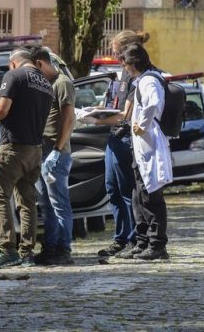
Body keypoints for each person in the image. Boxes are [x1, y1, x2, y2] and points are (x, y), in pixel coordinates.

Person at [0, 46, 53, 269]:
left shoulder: (14, 75)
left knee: (0, 196)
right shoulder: (45, 83)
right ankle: (27, 252)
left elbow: (2, 110)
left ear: (13, 62)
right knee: (27, 201)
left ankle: (7, 249)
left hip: (13, 147)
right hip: (34, 149)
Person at [88, 30, 148, 258]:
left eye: (115, 50)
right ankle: (121, 238)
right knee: (112, 189)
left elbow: (127, 115)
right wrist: (98, 110)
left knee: (126, 191)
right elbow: (114, 103)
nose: (113, 54)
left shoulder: (136, 76)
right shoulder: (122, 74)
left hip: (125, 138)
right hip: (113, 137)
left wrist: (95, 118)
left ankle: (136, 239)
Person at [116, 43, 173, 260]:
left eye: (126, 63)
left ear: (134, 63)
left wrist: (143, 124)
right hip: (142, 147)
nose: (125, 68)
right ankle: (144, 241)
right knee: (139, 194)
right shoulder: (143, 80)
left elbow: (154, 103)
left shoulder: (149, 80)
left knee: (151, 195)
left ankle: (157, 244)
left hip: (149, 144)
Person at [32, 47, 76, 266]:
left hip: (55, 152)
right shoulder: (46, 85)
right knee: (47, 205)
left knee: (59, 203)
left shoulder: (62, 83)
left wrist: (57, 151)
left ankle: (63, 249)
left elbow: (69, 120)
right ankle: (49, 248)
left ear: (41, 64)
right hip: (44, 151)